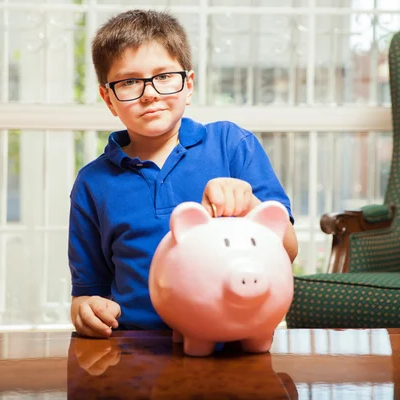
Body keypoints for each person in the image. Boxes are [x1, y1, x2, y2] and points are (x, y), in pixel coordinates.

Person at [68, 9, 298, 338]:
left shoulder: (232, 145)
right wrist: (86, 310)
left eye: (164, 76)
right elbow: (87, 293)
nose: (149, 92)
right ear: (108, 98)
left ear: (188, 85)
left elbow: (288, 249)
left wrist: (250, 204)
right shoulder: (92, 184)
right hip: (137, 348)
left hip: (233, 343)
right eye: (130, 81)